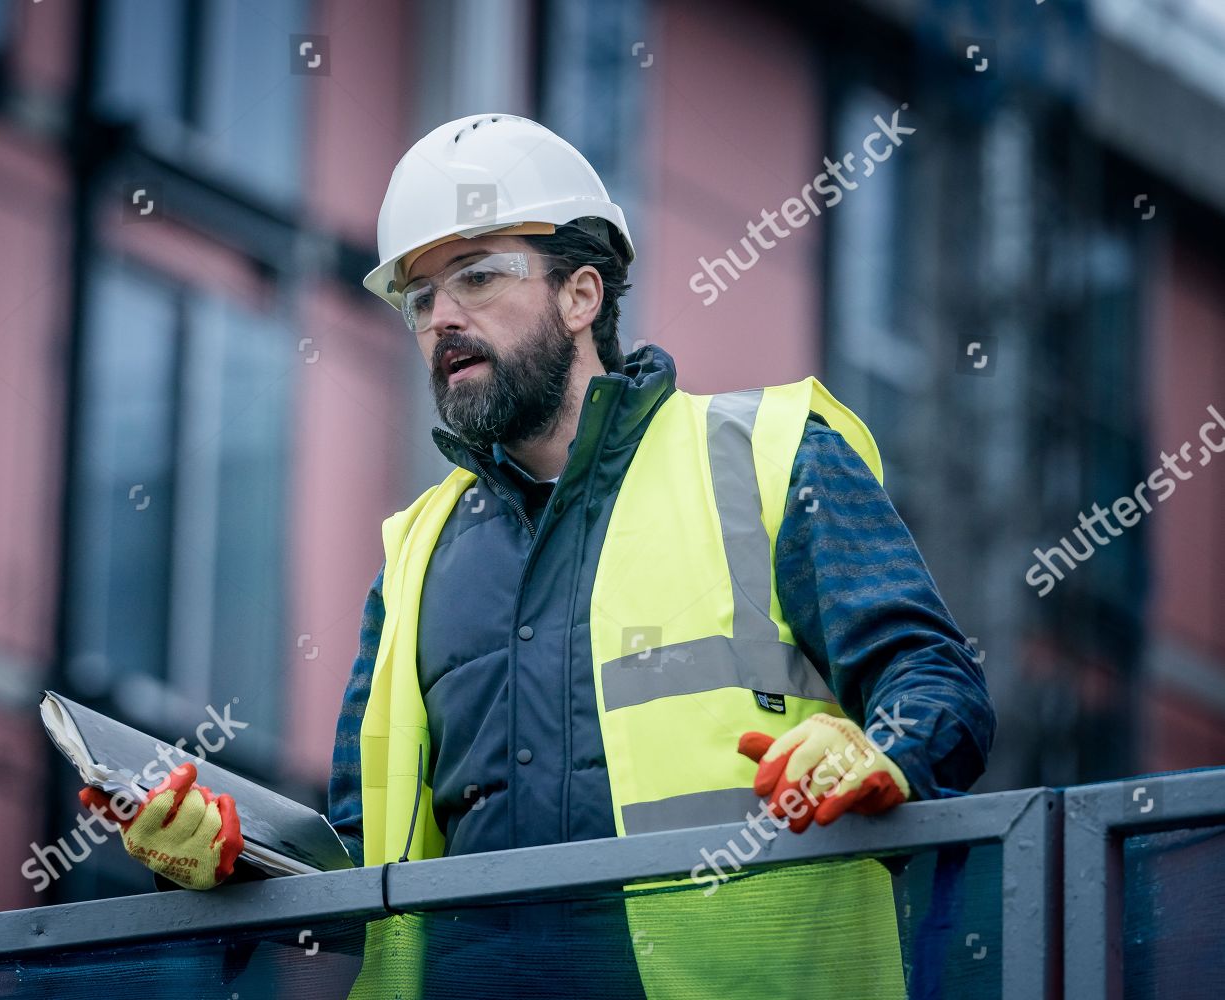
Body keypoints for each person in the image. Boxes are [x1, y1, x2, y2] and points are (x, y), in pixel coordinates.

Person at [84, 113, 996, 999]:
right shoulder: (418, 561)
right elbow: (358, 882)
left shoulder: (766, 456)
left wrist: (880, 751)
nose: (442, 317)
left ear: (581, 294)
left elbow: (936, 681)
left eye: (476, 277)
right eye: (421, 298)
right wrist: (219, 866)